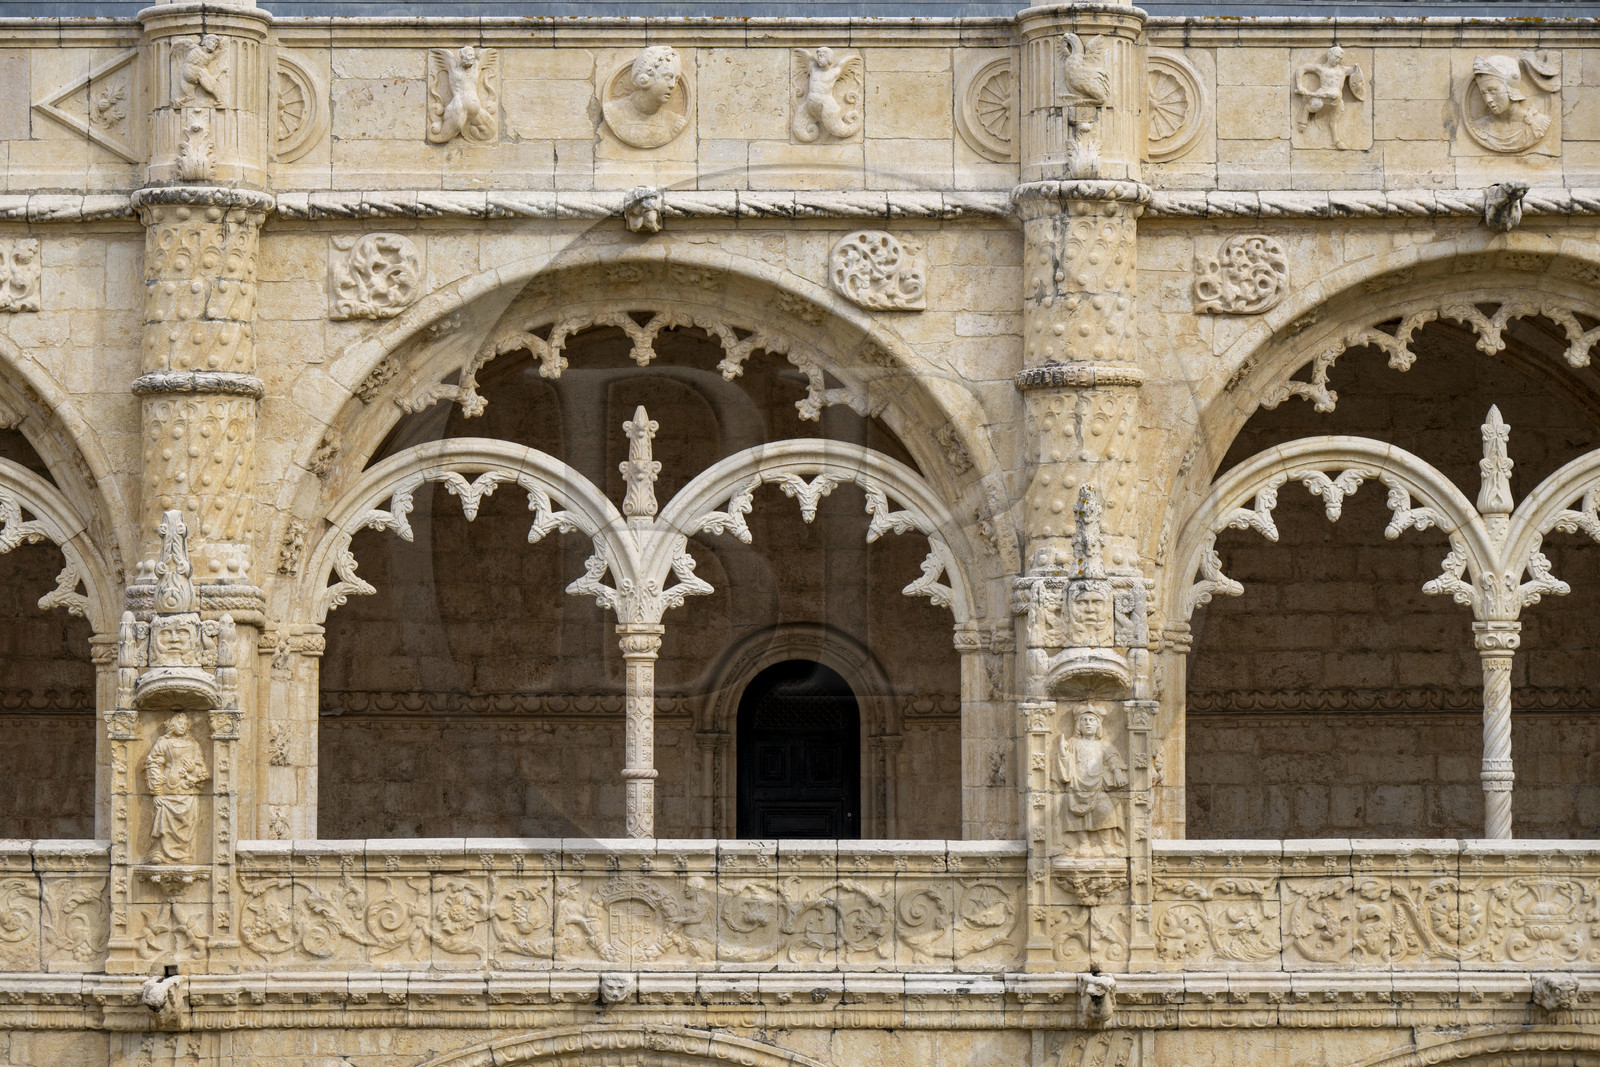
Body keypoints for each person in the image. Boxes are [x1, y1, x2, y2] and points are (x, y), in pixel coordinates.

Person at [1055, 702, 1127, 856]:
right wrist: (1062, 753)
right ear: (1078, 725)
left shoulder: (1103, 744)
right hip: (1077, 786)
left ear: (1098, 725)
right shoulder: (1073, 743)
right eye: (1084, 720)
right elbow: (1065, 763)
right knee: (1076, 814)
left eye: (1092, 720)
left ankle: (1106, 844)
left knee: (1105, 809)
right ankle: (1084, 843)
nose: (1088, 723)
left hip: (1098, 785)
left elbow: (1112, 757)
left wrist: (1116, 771)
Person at [145, 714, 210, 864]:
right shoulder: (164, 742)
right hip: (168, 789)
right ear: (171, 725)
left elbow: (203, 770)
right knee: (163, 821)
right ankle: (159, 852)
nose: (182, 726)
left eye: (184, 723)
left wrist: (193, 769)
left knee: (187, 822)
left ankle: (184, 853)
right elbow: (153, 763)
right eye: (178, 723)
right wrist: (156, 791)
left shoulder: (193, 745)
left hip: (188, 789)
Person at [604, 46, 687, 148]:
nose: (672, 85)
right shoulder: (613, 112)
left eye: (676, 79)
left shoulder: (674, 122)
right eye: (667, 77)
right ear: (645, 78)